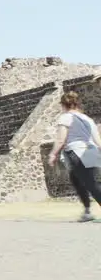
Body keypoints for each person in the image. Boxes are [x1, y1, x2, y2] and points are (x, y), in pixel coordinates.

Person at [47, 90, 101, 222]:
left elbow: (61, 139)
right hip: (91, 150)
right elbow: (97, 140)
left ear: (64, 104)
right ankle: (87, 212)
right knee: (78, 181)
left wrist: (53, 154)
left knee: (90, 184)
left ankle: (88, 211)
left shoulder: (65, 117)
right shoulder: (87, 119)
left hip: (76, 152)